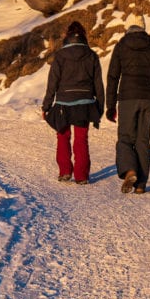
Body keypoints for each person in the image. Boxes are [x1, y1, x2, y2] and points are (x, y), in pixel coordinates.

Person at [105, 13, 150, 194]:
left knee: (125, 138)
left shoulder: (121, 46)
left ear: (128, 27)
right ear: (143, 27)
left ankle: (130, 170)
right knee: (142, 141)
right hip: (148, 98)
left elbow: (113, 77)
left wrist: (110, 105)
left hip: (127, 98)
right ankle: (141, 184)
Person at [42, 20, 105, 184]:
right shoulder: (91, 55)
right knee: (81, 139)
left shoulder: (60, 56)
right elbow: (98, 83)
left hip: (64, 102)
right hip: (85, 103)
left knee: (63, 137)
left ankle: (65, 172)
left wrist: (46, 106)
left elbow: (52, 83)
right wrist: (100, 107)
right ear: (83, 35)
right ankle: (81, 176)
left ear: (67, 36)